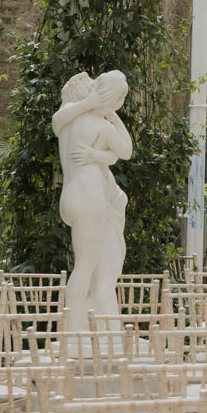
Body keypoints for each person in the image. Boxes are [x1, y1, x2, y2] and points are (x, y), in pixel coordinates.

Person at [55, 70, 133, 332]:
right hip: (90, 196)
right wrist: (109, 113)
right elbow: (126, 150)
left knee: (87, 266)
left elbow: (110, 157)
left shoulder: (69, 121)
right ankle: (74, 330)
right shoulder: (99, 125)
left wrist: (96, 154)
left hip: (71, 195)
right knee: (86, 267)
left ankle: (78, 327)